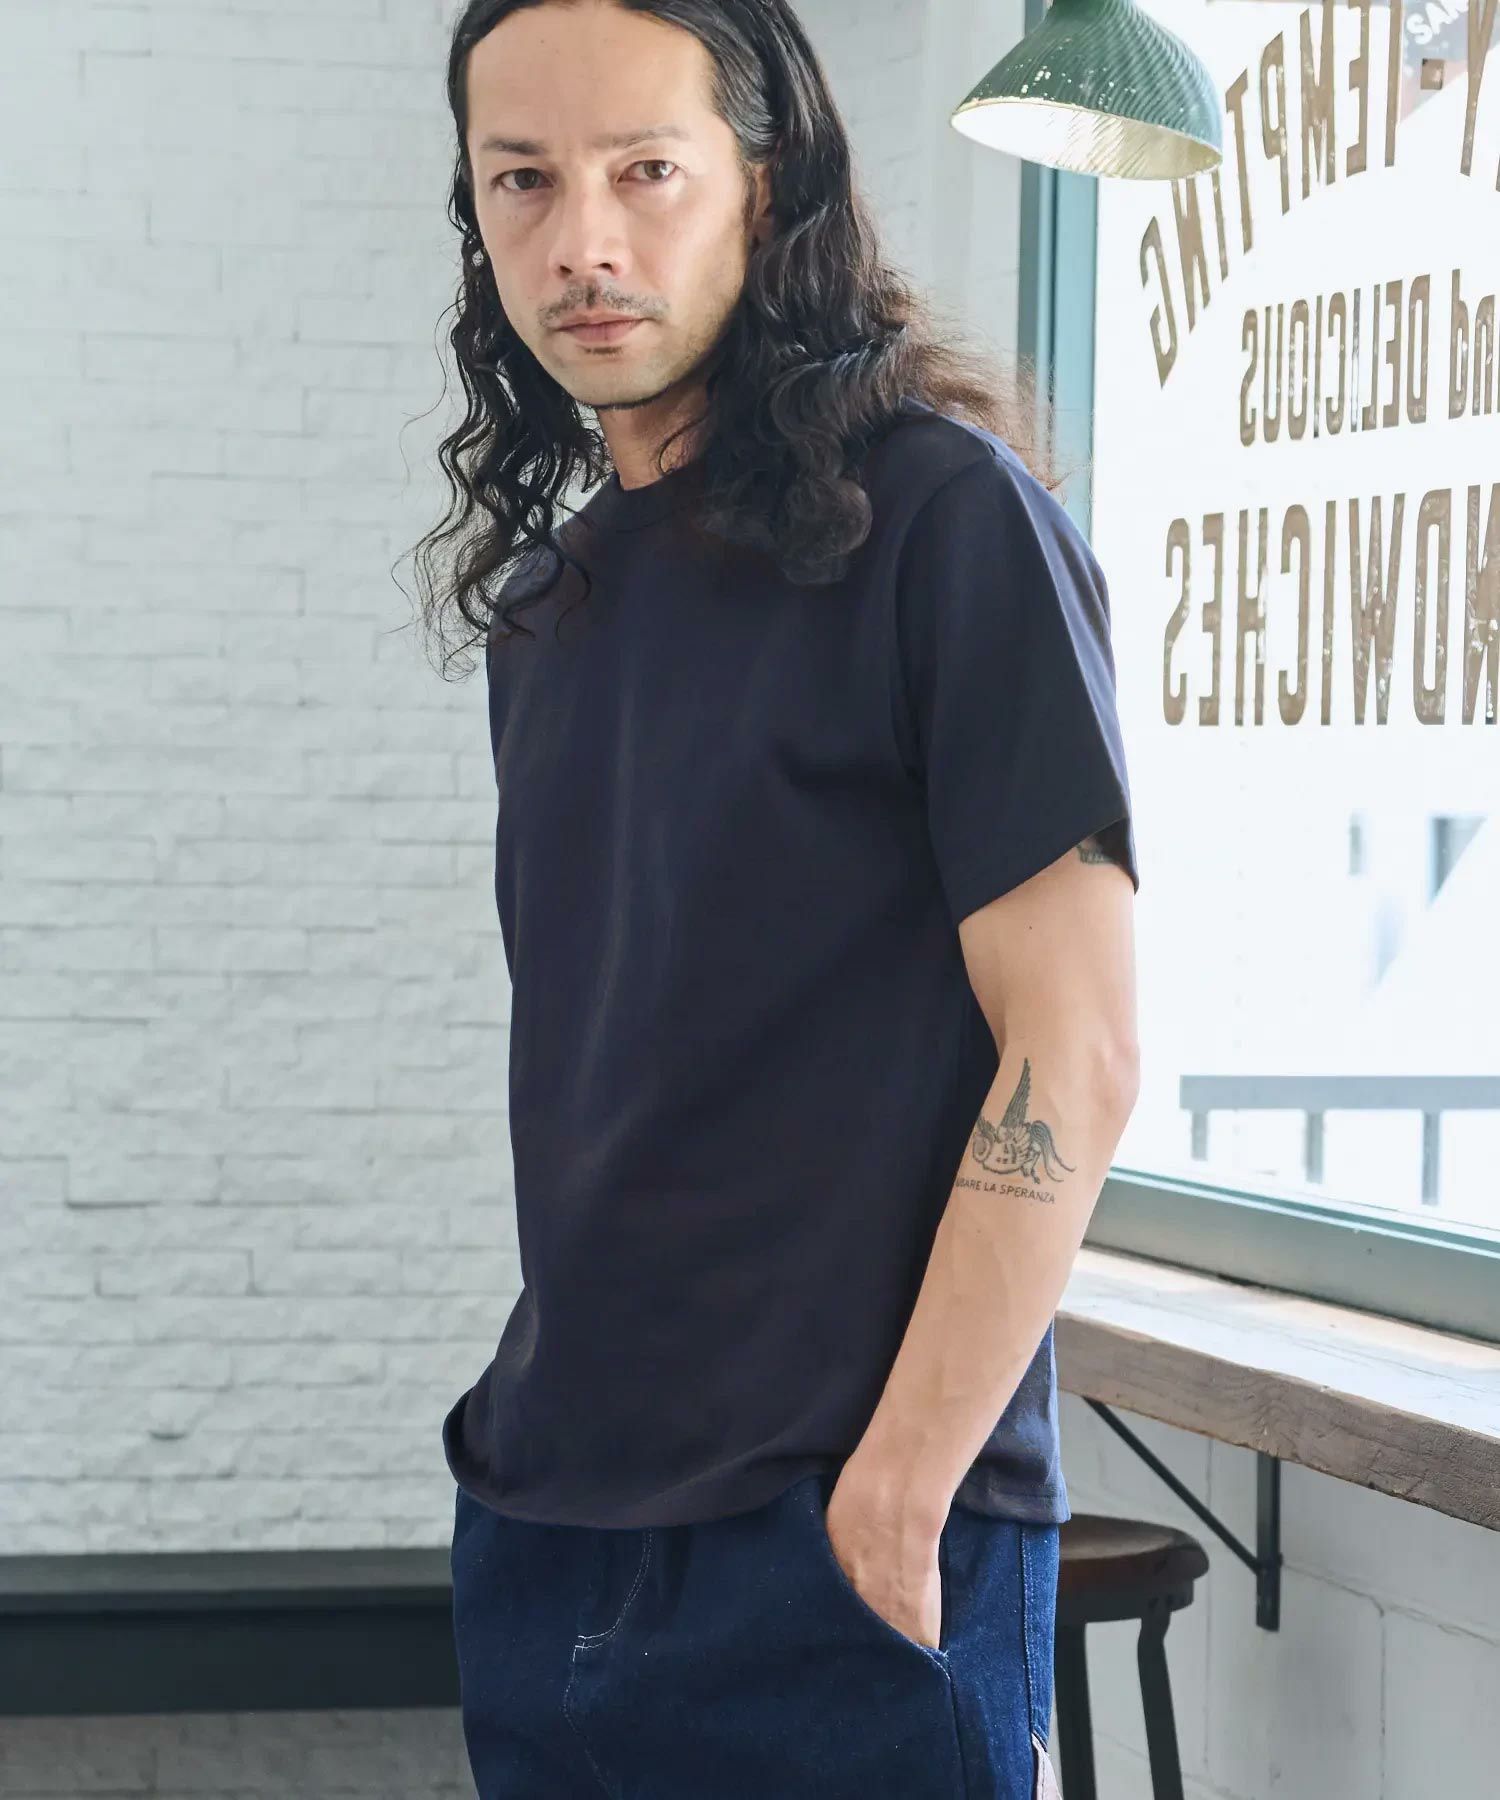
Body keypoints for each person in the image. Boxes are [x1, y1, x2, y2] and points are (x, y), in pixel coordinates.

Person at [415, 2, 1139, 1795]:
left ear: (768, 181)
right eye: (523, 181)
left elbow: (1077, 1051)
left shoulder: (947, 524)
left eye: (646, 171)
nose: (581, 242)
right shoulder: (553, 606)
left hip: (842, 1544)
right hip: (554, 1525)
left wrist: (897, 1497)